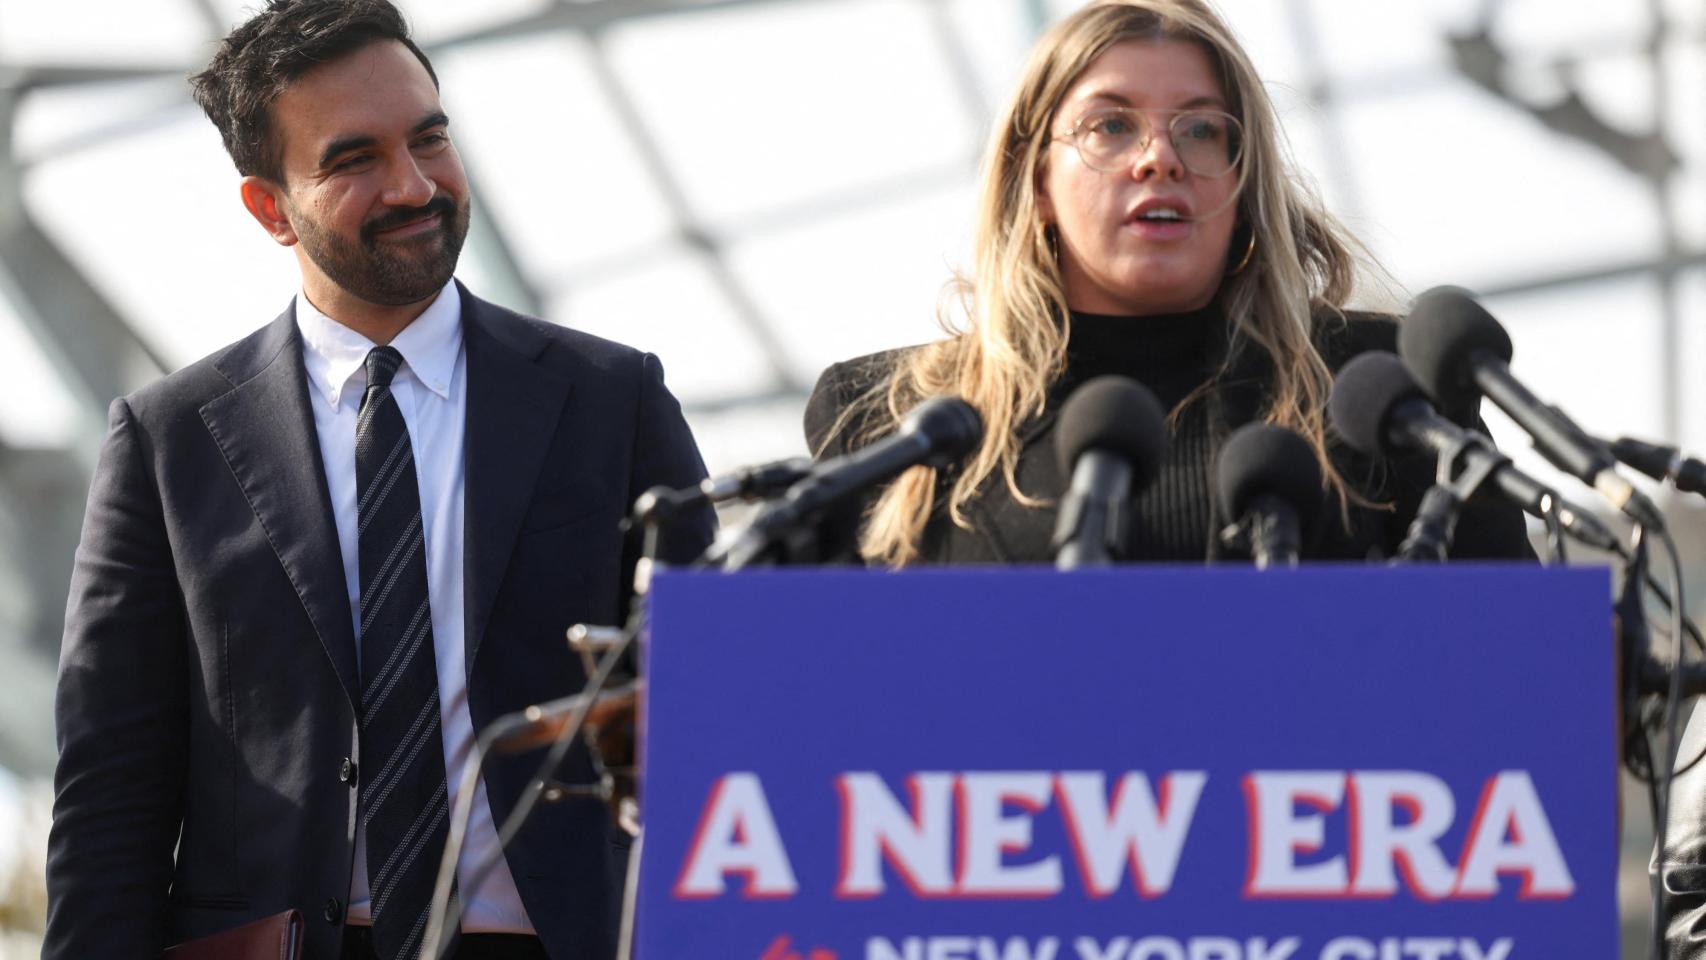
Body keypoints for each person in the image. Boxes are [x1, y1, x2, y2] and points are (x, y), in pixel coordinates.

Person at [43, 1, 715, 958]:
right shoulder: (168, 442)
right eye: (354, 159)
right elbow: (112, 782)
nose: (413, 185)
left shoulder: (612, 398)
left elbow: (713, 710)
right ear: (271, 208)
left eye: (430, 139)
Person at [804, 0, 1531, 566]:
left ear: (1243, 181)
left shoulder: (1383, 390)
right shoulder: (888, 419)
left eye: (1201, 130)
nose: (1159, 157)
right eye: (1110, 126)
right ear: (1037, 179)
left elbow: (1520, 659)